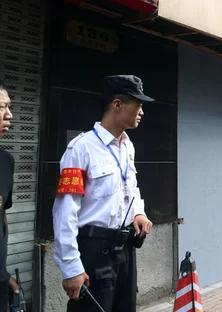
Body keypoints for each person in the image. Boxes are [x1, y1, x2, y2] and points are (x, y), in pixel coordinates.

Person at [52, 75, 154, 311]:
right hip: (94, 251)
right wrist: (71, 268)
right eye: (137, 105)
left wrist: (138, 212)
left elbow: (131, 186)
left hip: (125, 249)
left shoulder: (128, 146)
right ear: (117, 105)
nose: (142, 112)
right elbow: (65, 210)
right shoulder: (81, 148)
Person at [0, 80, 22, 308]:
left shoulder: (6, 162)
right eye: (1, 107)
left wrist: (3, 274)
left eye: (9, 107)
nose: (9, 115)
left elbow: (2, 222)